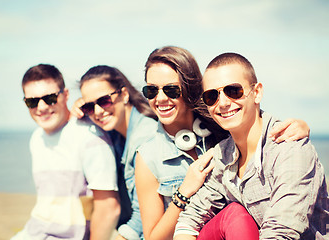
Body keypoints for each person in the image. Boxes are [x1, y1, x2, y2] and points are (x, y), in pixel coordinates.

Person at [134, 46, 311, 240]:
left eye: (171, 90)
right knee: (235, 214)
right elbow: (156, 236)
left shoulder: (221, 128)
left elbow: (251, 116)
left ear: (190, 89)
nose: (160, 98)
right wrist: (184, 192)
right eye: (151, 90)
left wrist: (299, 127)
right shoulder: (149, 155)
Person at [174, 53, 329, 239]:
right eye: (212, 96)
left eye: (233, 91)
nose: (222, 103)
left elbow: (281, 232)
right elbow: (190, 219)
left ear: (257, 93)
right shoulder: (223, 155)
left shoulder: (289, 149)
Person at [12, 64, 121, 240]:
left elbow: (109, 208)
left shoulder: (90, 137)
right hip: (34, 232)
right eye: (32, 101)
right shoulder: (37, 138)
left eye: (50, 98)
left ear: (66, 95)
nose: (41, 107)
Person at [73, 65, 158, 240]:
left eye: (104, 100)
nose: (97, 112)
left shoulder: (145, 138)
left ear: (124, 95)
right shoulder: (118, 133)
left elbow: (144, 215)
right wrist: (77, 112)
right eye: (89, 106)